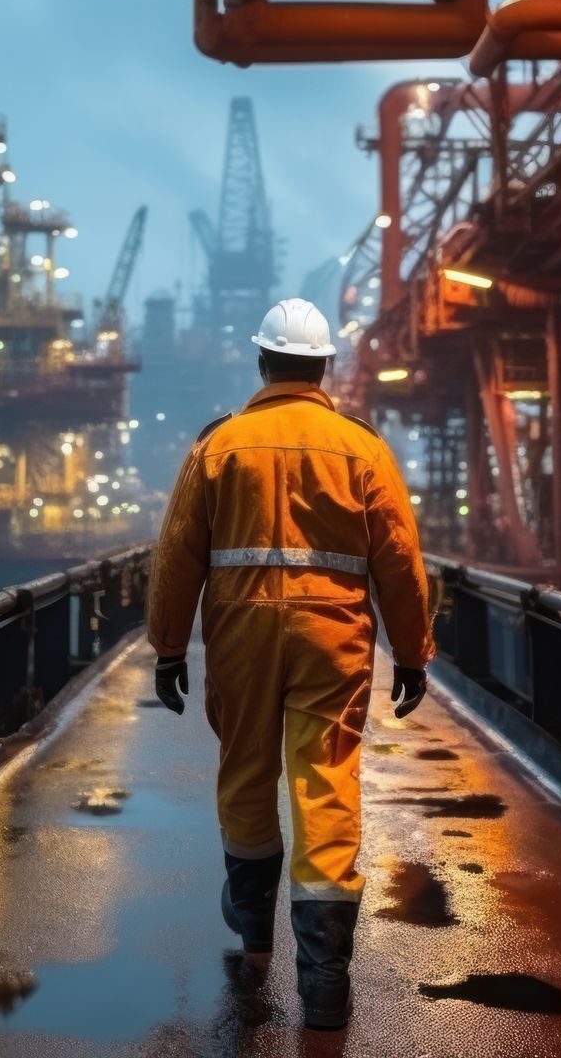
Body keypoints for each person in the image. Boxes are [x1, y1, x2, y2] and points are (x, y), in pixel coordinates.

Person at [145, 296, 434, 1031]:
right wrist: (412, 652)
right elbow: (399, 558)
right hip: (332, 637)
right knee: (326, 782)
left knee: (246, 772)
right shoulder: (360, 448)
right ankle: (326, 981)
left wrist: (168, 646)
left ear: (262, 361)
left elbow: (177, 555)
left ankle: (253, 934)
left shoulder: (220, 447)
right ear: (325, 366)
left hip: (240, 635)